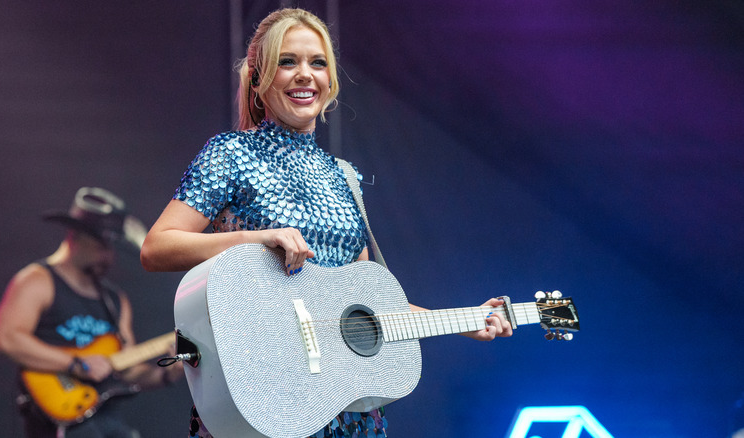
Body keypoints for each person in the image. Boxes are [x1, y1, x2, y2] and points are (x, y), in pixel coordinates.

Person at [139, 8, 513, 438]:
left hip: (348, 406)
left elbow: (365, 303)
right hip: (266, 401)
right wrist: (256, 239)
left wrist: (464, 322)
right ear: (260, 78)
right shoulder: (231, 154)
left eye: (317, 63)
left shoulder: (345, 176)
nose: (305, 74)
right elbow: (156, 248)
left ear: (331, 83)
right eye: (287, 62)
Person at [0, 187, 183, 438]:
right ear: (76, 236)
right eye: (102, 244)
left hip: (106, 416)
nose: (108, 256)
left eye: (112, 247)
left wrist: (170, 372)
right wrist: (76, 365)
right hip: (56, 419)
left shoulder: (115, 300)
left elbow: (129, 371)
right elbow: (7, 339)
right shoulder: (37, 281)